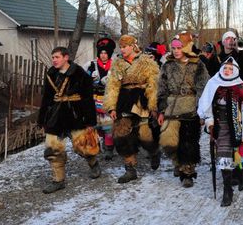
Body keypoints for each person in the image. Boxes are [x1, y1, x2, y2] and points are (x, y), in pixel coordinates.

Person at [38, 47, 100, 194]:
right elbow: (46, 98)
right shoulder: (50, 74)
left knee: (84, 147)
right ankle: (58, 180)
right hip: (56, 117)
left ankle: (93, 163)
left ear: (66, 58)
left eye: (57, 57)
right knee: (53, 148)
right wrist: (42, 119)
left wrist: (90, 122)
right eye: (53, 57)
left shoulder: (80, 74)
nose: (54, 60)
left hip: (76, 115)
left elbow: (87, 100)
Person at [104, 35, 161, 183]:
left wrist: (153, 105)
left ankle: (154, 151)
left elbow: (153, 84)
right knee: (121, 134)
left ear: (133, 46)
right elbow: (112, 86)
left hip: (141, 100)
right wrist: (111, 106)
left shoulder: (147, 62)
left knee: (145, 135)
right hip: (124, 101)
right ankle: (130, 168)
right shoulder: (117, 64)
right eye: (120, 47)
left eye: (124, 47)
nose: (122, 49)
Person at [198, 57, 243, 207]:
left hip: (237, 124)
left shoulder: (241, 87)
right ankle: (227, 190)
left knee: (239, 153)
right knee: (222, 155)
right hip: (220, 124)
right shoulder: (213, 83)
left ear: (235, 70)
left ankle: (242, 175)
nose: (227, 71)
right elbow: (206, 105)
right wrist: (209, 123)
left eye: (230, 69)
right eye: (225, 68)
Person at [157, 32, 209, 188]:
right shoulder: (167, 65)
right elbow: (162, 89)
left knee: (188, 142)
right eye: (173, 48)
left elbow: (203, 89)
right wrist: (160, 110)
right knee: (168, 141)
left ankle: (187, 173)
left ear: (186, 47)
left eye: (179, 47)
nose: (176, 51)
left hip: (191, 108)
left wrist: (202, 111)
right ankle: (178, 162)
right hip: (171, 107)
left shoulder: (198, 64)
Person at [83, 37, 116, 160]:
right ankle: (98, 144)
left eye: (106, 53)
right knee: (97, 126)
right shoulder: (91, 65)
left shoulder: (115, 66)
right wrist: (90, 80)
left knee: (109, 126)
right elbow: (83, 81)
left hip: (109, 99)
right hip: (94, 100)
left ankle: (109, 149)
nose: (103, 55)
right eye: (101, 52)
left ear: (109, 54)